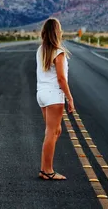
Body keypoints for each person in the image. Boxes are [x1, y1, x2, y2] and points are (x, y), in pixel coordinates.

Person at [36, 18, 75, 180]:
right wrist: (70, 98)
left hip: (42, 94)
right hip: (53, 95)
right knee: (51, 133)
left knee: (55, 131)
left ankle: (45, 169)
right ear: (57, 32)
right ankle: (47, 171)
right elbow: (61, 78)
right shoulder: (58, 52)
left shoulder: (41, 50)